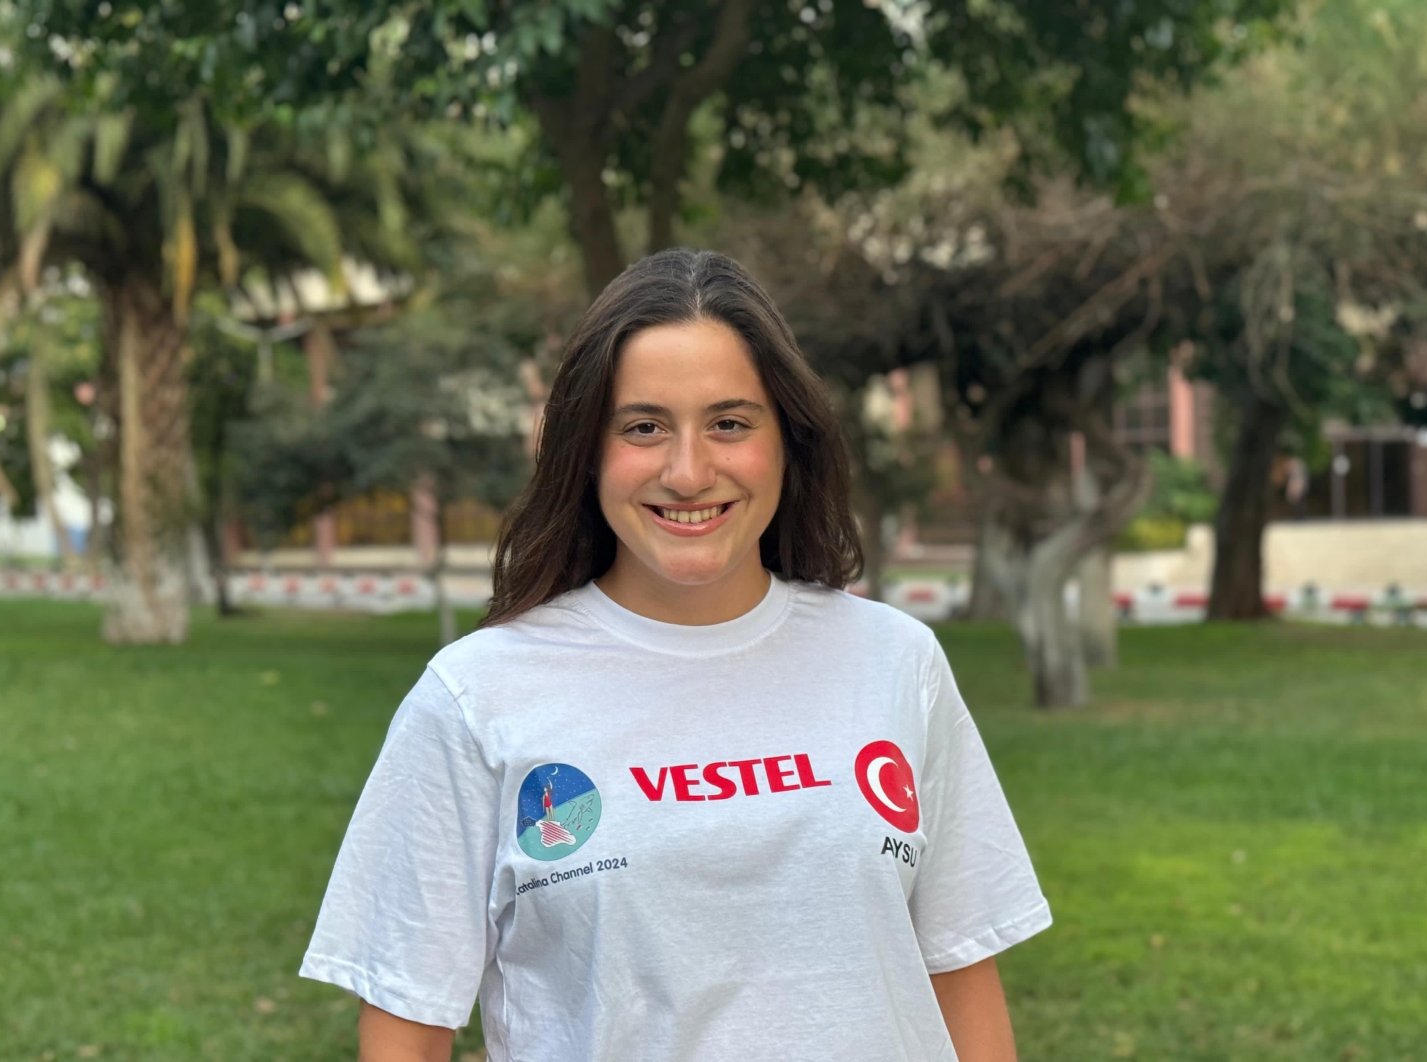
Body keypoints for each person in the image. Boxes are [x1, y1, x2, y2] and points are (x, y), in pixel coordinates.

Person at [300, 248, 1051, 1061]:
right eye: (644, 427)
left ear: (786, 443)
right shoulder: (476, 697)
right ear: (588, 453)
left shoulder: (896, 662)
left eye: (730, 423)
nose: (688, 472)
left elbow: (958, 970)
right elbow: (406, 1026)